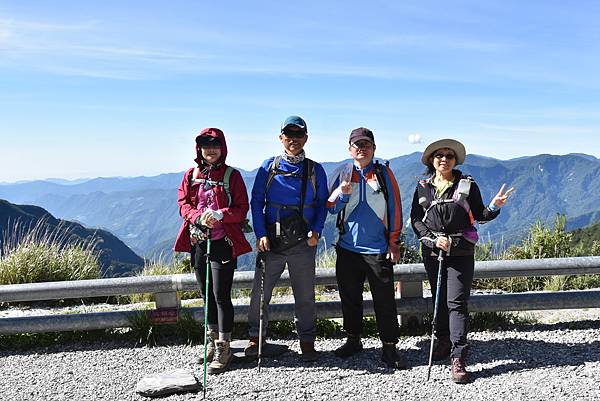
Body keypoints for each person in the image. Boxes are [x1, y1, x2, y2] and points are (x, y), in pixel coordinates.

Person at [410, 138, 513, 383]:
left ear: (455, 160)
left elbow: (480, 215)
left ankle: (458, 356)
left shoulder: (467, 184)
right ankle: (443, 340)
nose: (444, 159)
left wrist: (494, 206)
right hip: (434, 251)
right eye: (439, 155)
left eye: (449, 155)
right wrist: (432, 240)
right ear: (431, 161)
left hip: (461, 252)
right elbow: (416, 220)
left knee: (456, 302)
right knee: (440, 298)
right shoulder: (422, 186)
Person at [245, 115, 328, 362]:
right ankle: (256, 338)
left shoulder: (315, 169)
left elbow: (322, 203)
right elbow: (257, 201)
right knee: (260, 294)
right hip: (272, 240)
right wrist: (260, 233)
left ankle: (307, 341)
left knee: (305, 294)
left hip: (303, 240)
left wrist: (317, 230)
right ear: (281, 137)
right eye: (289, 135)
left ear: (306, 138)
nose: (293, 140)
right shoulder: (268, 166)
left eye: (298, 135)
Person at [174, 127, 252, 374]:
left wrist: (221, 214)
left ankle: (223, 347)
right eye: (206, 146)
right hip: (198, 241)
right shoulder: (191, 174)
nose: (210, 150)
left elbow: (241, 208)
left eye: (215, 145)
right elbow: (183, 204)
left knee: (220, 295)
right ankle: (212, 341)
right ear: (199, 149)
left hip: (222, 243)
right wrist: (198, 217)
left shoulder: (233, 176)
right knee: (206, 294)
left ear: (223, 147)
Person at [327, 127, 406, 369]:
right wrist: (343, 196)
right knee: (350, 298)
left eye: (366, 144)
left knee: (384, 300)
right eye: (356, 145)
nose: (361, 148)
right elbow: (330, 208)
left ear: (374, 148)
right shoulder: (343, 173)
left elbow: (394, 207)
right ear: (349, 149)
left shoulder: (384, 173)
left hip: (378, 249)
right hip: (347, 248)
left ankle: (390, 346)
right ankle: (353, 340)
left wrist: (394, 242)